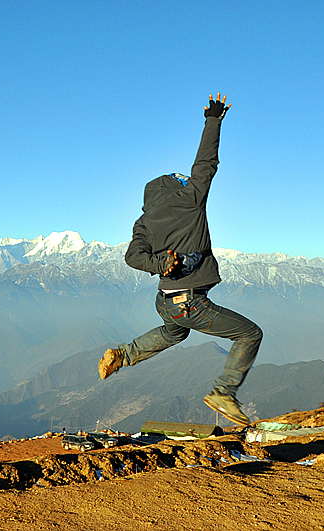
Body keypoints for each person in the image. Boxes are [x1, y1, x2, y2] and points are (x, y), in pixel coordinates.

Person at [98, 93, 263, 426]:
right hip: (190, 303)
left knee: (175, 333)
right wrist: (213, 119)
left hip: (165, 301)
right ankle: (224, 393)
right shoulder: (191, 200)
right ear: (178, 188)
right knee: (250, 334)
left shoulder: (143, 222)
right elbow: (205, 163)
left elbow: (133, 256)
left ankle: (122, 355)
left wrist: (160, 265)